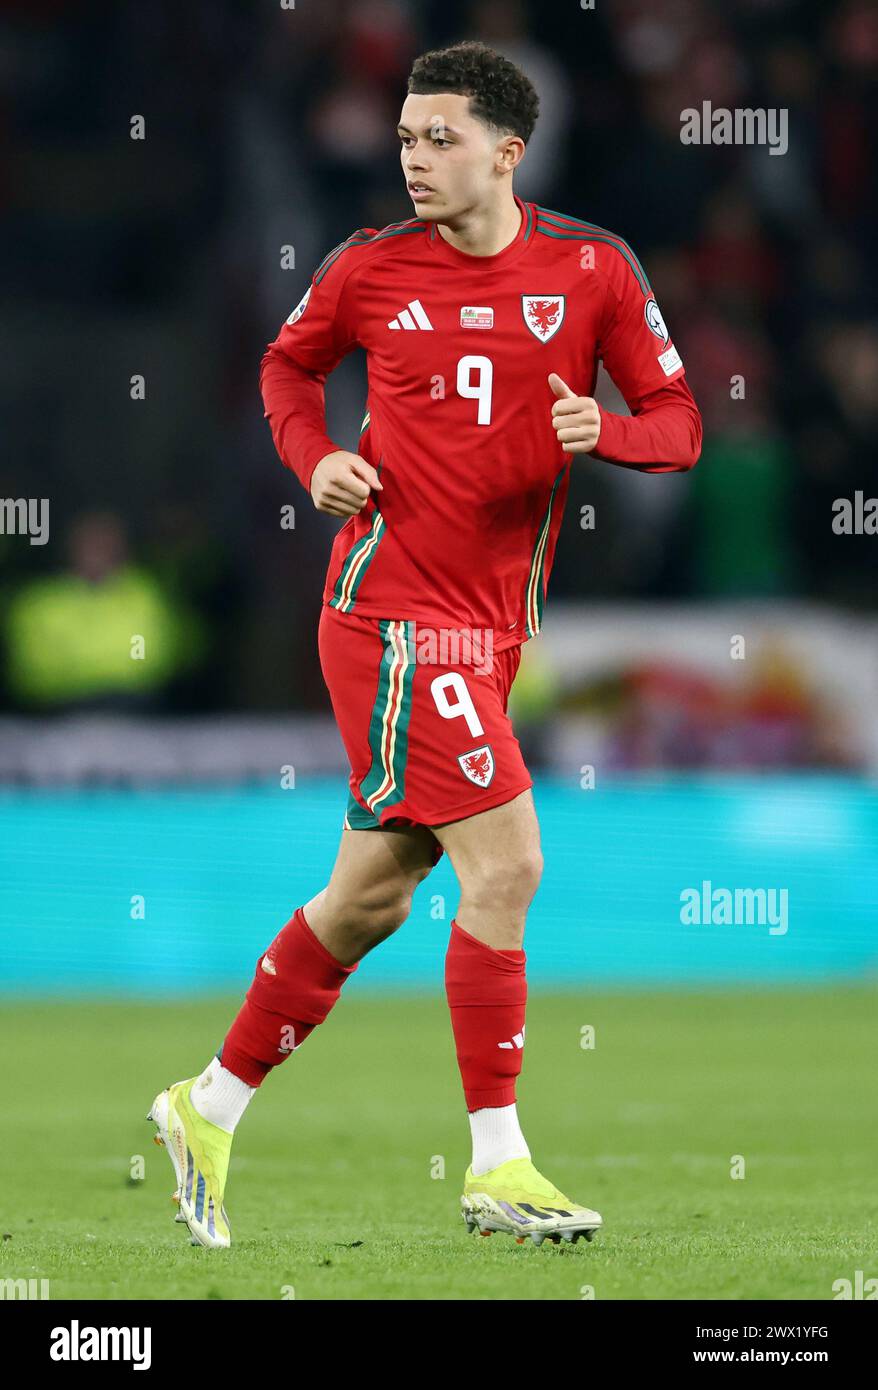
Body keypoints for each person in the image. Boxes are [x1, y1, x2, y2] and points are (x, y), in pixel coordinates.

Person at [149, 39, 701, 1250]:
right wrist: (316, 459)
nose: (413, 157)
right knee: (506, 867)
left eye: (438, 136)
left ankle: (208, 1101)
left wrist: (599, 430)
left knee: (370, 900)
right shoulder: (363, 269)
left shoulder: (592, 269)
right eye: (404, 137)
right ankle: (496, 1162)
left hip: (493, 626)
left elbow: (679, 425)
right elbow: (286, 367)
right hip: (393, 616)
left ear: (508, 151)